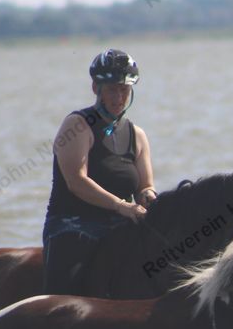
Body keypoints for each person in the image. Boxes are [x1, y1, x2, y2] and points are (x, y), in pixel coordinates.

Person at [42, 48, 157, 295]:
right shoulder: (77, 125)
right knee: (67, 297)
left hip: (121, 226)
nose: (119, 97)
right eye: (112, 90)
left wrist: (148, 197)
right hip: (73, 227)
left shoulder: (137, 135)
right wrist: (121, 206)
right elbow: (76, 181)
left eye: (124, 90)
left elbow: (146, 186)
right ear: (96, 88)